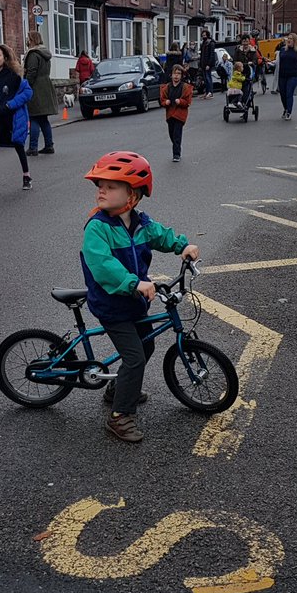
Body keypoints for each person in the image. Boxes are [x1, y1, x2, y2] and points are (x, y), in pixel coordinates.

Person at [80, 151, 199, 443]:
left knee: (146, 347)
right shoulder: (97, 227)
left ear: (132, 195)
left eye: (111, 186)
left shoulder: (140, 222)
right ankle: (119, 417)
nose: (101, 191)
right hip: (112, 305)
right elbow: (102, 265)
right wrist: (134, 283)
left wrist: (182, 246)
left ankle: (118, 389)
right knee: (134, 357)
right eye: (100, 185)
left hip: (135, 302)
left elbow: (160, 236)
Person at [0, 44, 33, 189]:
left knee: (18, 145)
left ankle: (26, 176)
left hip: (12, 117)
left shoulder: (13, 76)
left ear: (4, 57)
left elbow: (27, 92)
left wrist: (10, 105)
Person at [24, 31, 57, 156]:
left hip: (36, 89)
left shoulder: (33, 54)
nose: (27, 41)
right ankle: (49, 145)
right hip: (46, 87)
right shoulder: (45, 53)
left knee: (34, 117)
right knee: (43, 119)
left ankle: (33, 147)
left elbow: (31, 72)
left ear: (32, 40)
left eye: (28, 39)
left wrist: (25, 86)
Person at [160, 62, 193, 161]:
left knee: (177, 134)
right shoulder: (167, 87)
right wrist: (166, 102)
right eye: (175, 73)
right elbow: (162, 100)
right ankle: (176, 146)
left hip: (179, 115)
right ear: (171, 75)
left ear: (181, 76)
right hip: (170, 114)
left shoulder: (185, 87)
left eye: (178, 74)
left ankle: (176, 154)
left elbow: (187, 102)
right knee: (172, 134)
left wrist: (180, 101)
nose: (176, 76)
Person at [276, 33, 297, 120]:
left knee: (289, 93)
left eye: (291, 39)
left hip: (293, 75)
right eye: (288, 38)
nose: (289, 40)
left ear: (294, 41)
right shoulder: (282, 50)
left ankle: (289, 112)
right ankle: (286, 108)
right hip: (282, 75)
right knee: (283, 94)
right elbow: (278, 61)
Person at [199, 28, 216, 97]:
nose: (203, 37)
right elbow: (202, 54)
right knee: (205, 79)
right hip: (203, 63)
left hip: (207, 64)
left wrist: (208, 64)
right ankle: (207, 92)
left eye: (205, 35)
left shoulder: (211, 43)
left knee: (208, 78)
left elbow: (211, 55)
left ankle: (210, 92)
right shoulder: (203, 43)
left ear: (208, 35)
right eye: (203, 35)